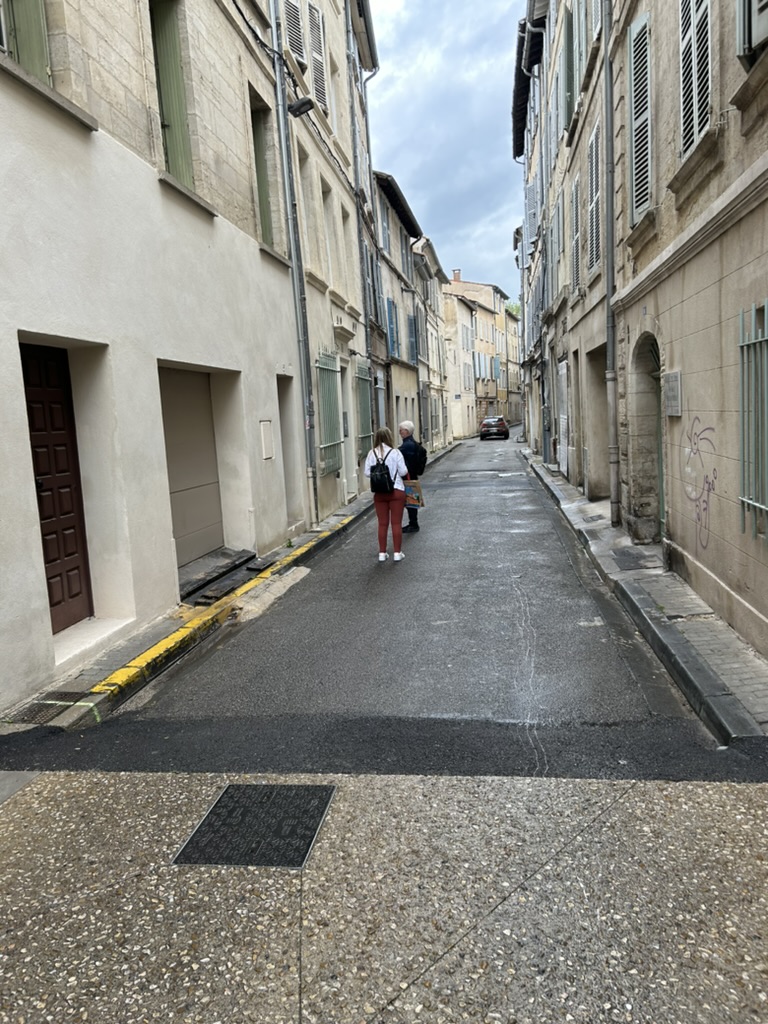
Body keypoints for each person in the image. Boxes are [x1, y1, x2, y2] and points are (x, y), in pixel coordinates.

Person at [364, 426, 409, 562]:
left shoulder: (371, 453)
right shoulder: (395, 453)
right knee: (396, 523)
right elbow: (403, 471)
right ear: (389, 437)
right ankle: (397, 552)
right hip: (396, 490)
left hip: (379, 492)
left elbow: (367, 473)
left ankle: (382, 553)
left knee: (382, 524)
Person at [398, 420, 424, 533]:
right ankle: (413, 523)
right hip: (413, 476)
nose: (399, 432)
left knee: (410, 501)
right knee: (412, 501)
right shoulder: (414, 444)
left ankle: (413, 524)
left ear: (407, 431)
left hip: (407, 477)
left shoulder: (406, 446)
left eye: (401, 430)